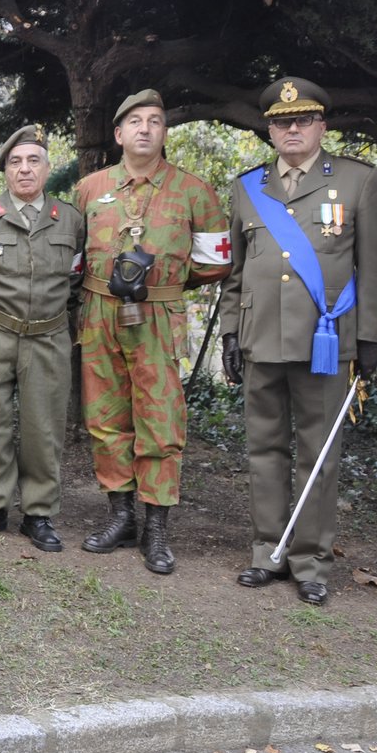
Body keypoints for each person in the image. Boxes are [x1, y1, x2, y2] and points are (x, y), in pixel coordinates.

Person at [218, 78, 377, 606]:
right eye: (280, 122)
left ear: (321, 126)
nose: (291, 129)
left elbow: (372, 268)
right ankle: (267, 550)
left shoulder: (359, 182)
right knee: (263, 449)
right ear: (269, 130)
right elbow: (235, 273)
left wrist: (368, 339)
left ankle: (310, 561)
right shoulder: (247, 188)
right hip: (261, 336)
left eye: (302, 120)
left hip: (325, 341)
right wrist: (228, 331)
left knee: (318, 453)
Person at [76, 89, 230, 574]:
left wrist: (162, 286)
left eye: (155, 121)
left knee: (160, 419)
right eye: (135, 122)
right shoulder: (89, 188)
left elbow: (215, 261)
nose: (145, 128)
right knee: (105, 416)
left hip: (157, 318)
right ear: (119, 134)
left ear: (165, 133)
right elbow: (73, 254)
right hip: (100, 312)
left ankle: (156, 529)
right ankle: (120, 517)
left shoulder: (194, 191)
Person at [0, 126, 83, 550]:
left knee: (44, 427)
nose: (25, 169)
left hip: (49, 336)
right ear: (5, 170)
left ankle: (39, 514)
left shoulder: (72, 220)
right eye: (16, 162)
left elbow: (77, 282)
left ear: (47, 167)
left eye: (33, 161)